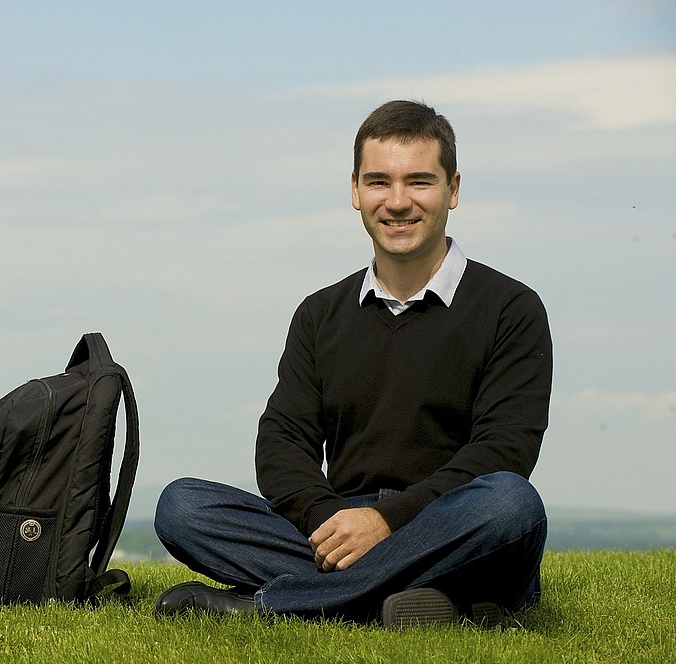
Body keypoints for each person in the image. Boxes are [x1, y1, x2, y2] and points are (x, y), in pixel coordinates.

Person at [153, 100, 553, 627]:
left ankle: (269, 604)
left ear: (453, 190)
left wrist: (385, 522)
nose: (398, 202)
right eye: (379, 182)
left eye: (419, 182)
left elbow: (504, 450)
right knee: (182, 507)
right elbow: (282, 444)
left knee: (510, 503)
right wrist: (334, 520)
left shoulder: (511, 308)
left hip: (451, 522)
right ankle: (432, 603)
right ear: (355, 190)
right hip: (337, 525)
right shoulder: (320, 314)